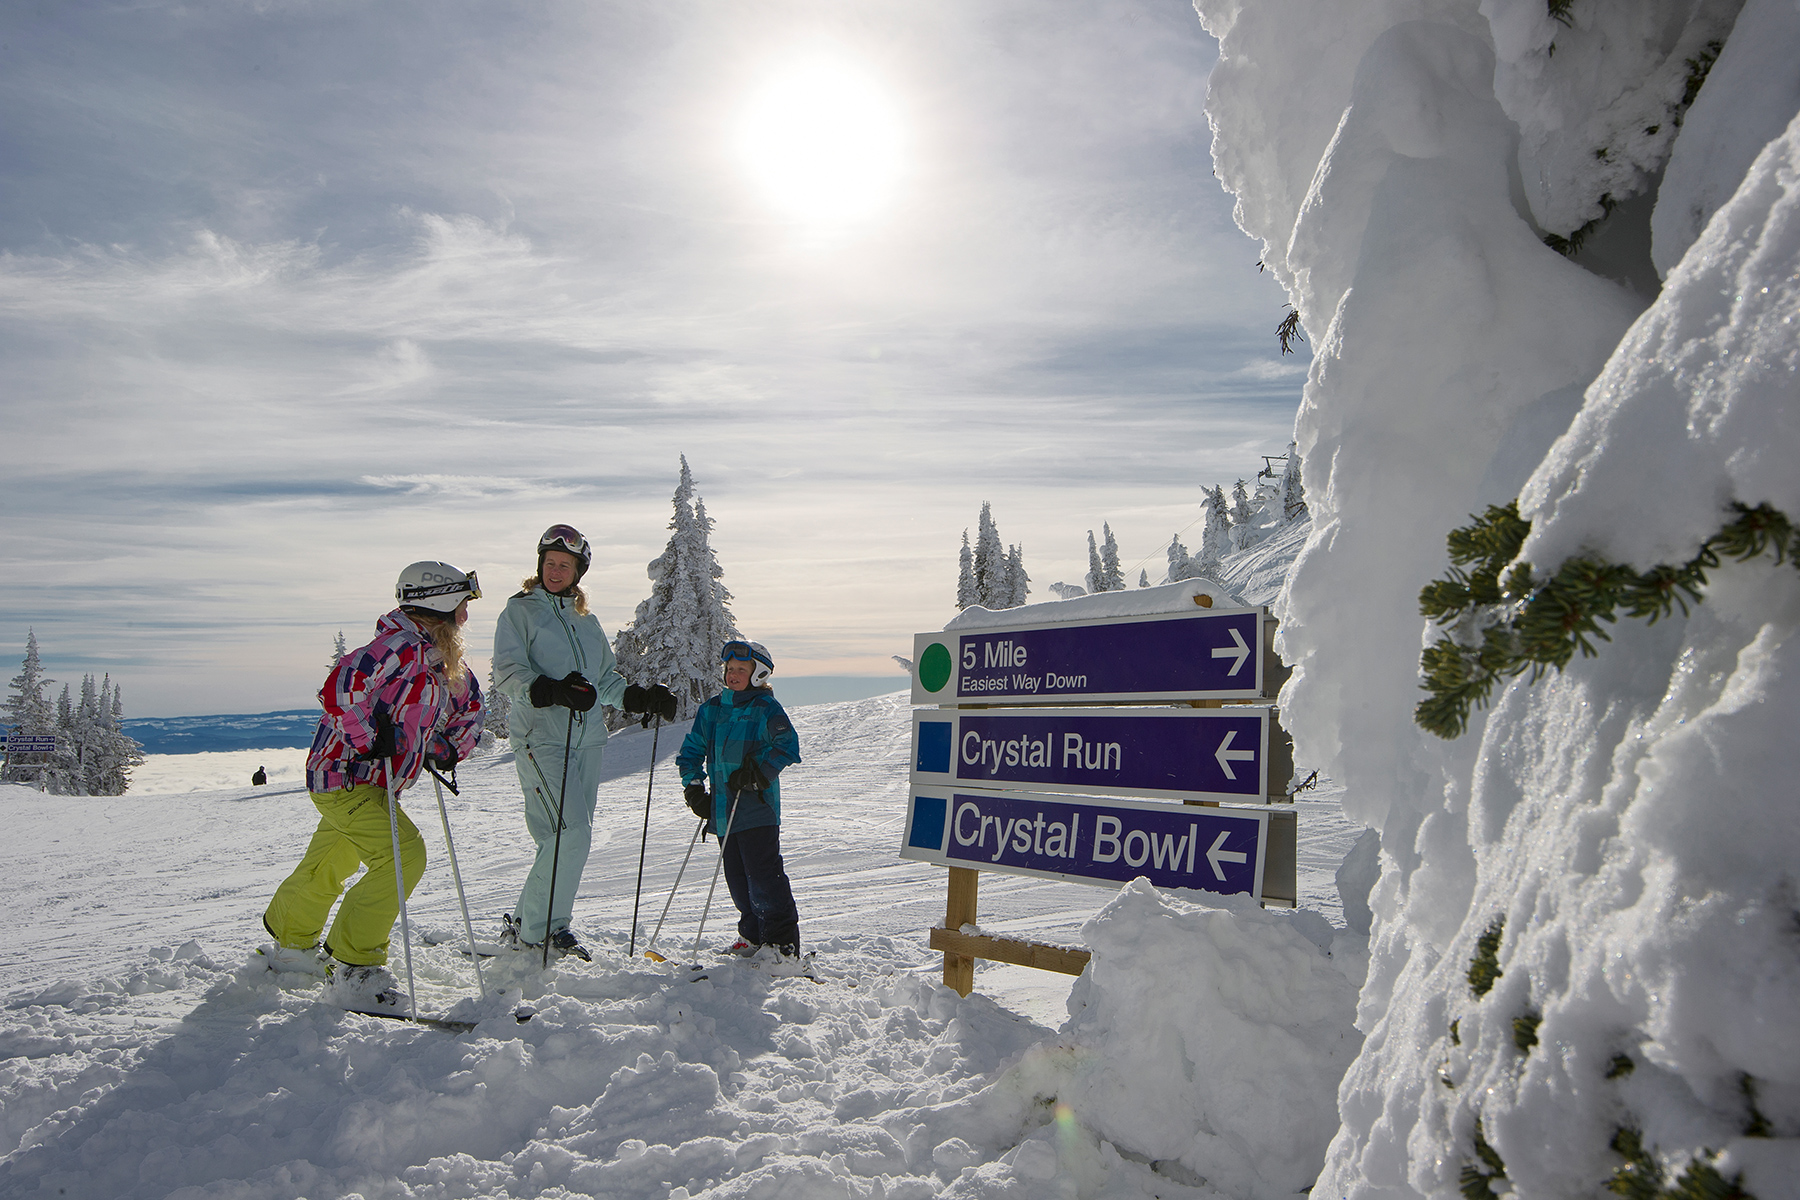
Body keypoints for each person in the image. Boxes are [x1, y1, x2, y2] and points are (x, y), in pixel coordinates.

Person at [257, 561, 484, 1015]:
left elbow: (471, 707)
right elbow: (340, 687)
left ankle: (291, 943)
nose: (465, 614)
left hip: (377, 785)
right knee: (403, 856)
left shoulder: (442, 661)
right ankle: (354, 966)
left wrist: (448, 747)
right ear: (439, 602)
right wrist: (368, 737)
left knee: (330, 861)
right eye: (462, 603)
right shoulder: (398, 647)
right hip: (344, 775)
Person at [491, 524, 677, 961]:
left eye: (565, 565)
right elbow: (507, 674)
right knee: (569, 832)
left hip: (589, 740)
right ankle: (533, 933)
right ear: (540, 566)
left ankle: (539, 924)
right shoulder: (519, 613)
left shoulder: (585, 621)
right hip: (542, 738)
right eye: (550, 563)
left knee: (571, 837)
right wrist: (551, 690)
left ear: (578, 571)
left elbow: (606, 680)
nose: (555, 571)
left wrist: (637, 696)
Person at [677, 639, 803, 965]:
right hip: (722, 811)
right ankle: (753, 936)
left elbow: (787, 745)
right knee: (737, 879)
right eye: (730, 669)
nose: (733, 675)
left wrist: (758, 773)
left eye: (741, 670)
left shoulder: (765, 709)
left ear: (758, 674)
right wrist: (694, 790)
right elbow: (691, 751)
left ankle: (781, 946)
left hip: (756, 809)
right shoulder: (712, 710)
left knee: (763, 878)